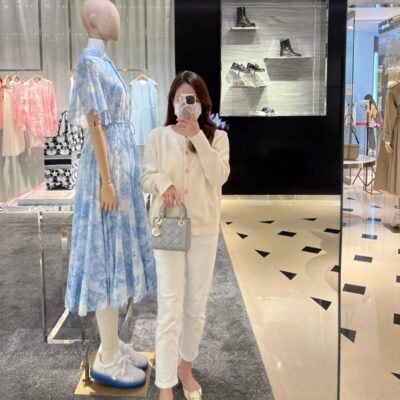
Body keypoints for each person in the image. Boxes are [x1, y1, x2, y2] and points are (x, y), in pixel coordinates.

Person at [64, 0, 156, 389]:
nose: (118, 16)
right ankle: (106, 357)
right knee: (105, 255)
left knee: (117, 252)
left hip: (118, 164)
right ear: (93, 20)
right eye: (110, 10)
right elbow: (95, 125)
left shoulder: (104, 61)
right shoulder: (88, 62)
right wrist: (106, 180)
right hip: (107, 171)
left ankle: (113, 345)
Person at [141, 71, 230, 400]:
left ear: (202, 102)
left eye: (191, 99)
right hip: (168, 225)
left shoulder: (218, 138)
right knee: (170, 306)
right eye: (180, 99)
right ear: (172, 102)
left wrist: (198, 136)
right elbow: (146, 177)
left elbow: (218, 177)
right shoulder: (158, 137)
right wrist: (163, 183)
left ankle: (186, 367)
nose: (185, 105)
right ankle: (165, 383)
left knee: (196, 305)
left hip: (204, 229)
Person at [375, 83, 400, 227]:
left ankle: (398, 215)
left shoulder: (395, 89)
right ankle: (397, 214)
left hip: (398, 133)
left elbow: (390, 115)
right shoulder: (395, 90)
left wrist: (388, 137)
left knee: (397, 175)